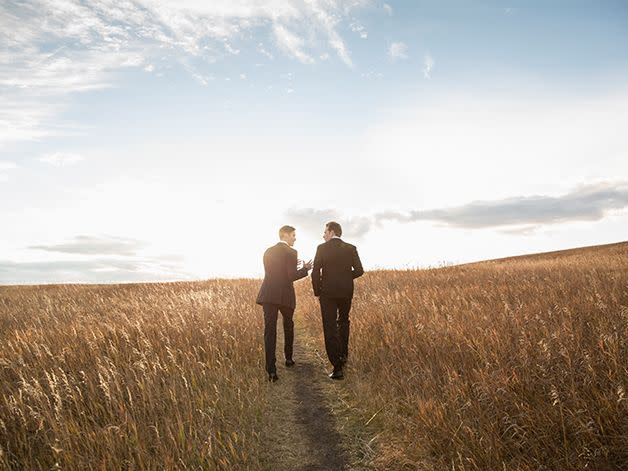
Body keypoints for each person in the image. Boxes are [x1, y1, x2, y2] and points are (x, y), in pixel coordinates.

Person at [256, 225, 311, 382]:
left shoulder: (268, 251)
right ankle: (288, 359)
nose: (295, 238)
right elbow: (290, 276)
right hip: (285, 296)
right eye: (293, 235)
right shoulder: (291, 252)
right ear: (285, 235)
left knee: (270, 331)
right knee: (288, 326)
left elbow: (274, 272)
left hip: (268, 294)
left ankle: (271, 371)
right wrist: (305, 268)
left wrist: (293, 265)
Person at [311, 221, 363, 380]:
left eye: (325, 232)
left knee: (330, 326)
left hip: (328, 293)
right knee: (344, 321)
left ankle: (337, 366)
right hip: (346, 291)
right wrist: (346, 278)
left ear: (332, 231)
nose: (323, 235)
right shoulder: (351, 248)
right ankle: (344, 356)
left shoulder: (321, 248)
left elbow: (315, 273)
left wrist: (317, 291)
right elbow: (360, 271)